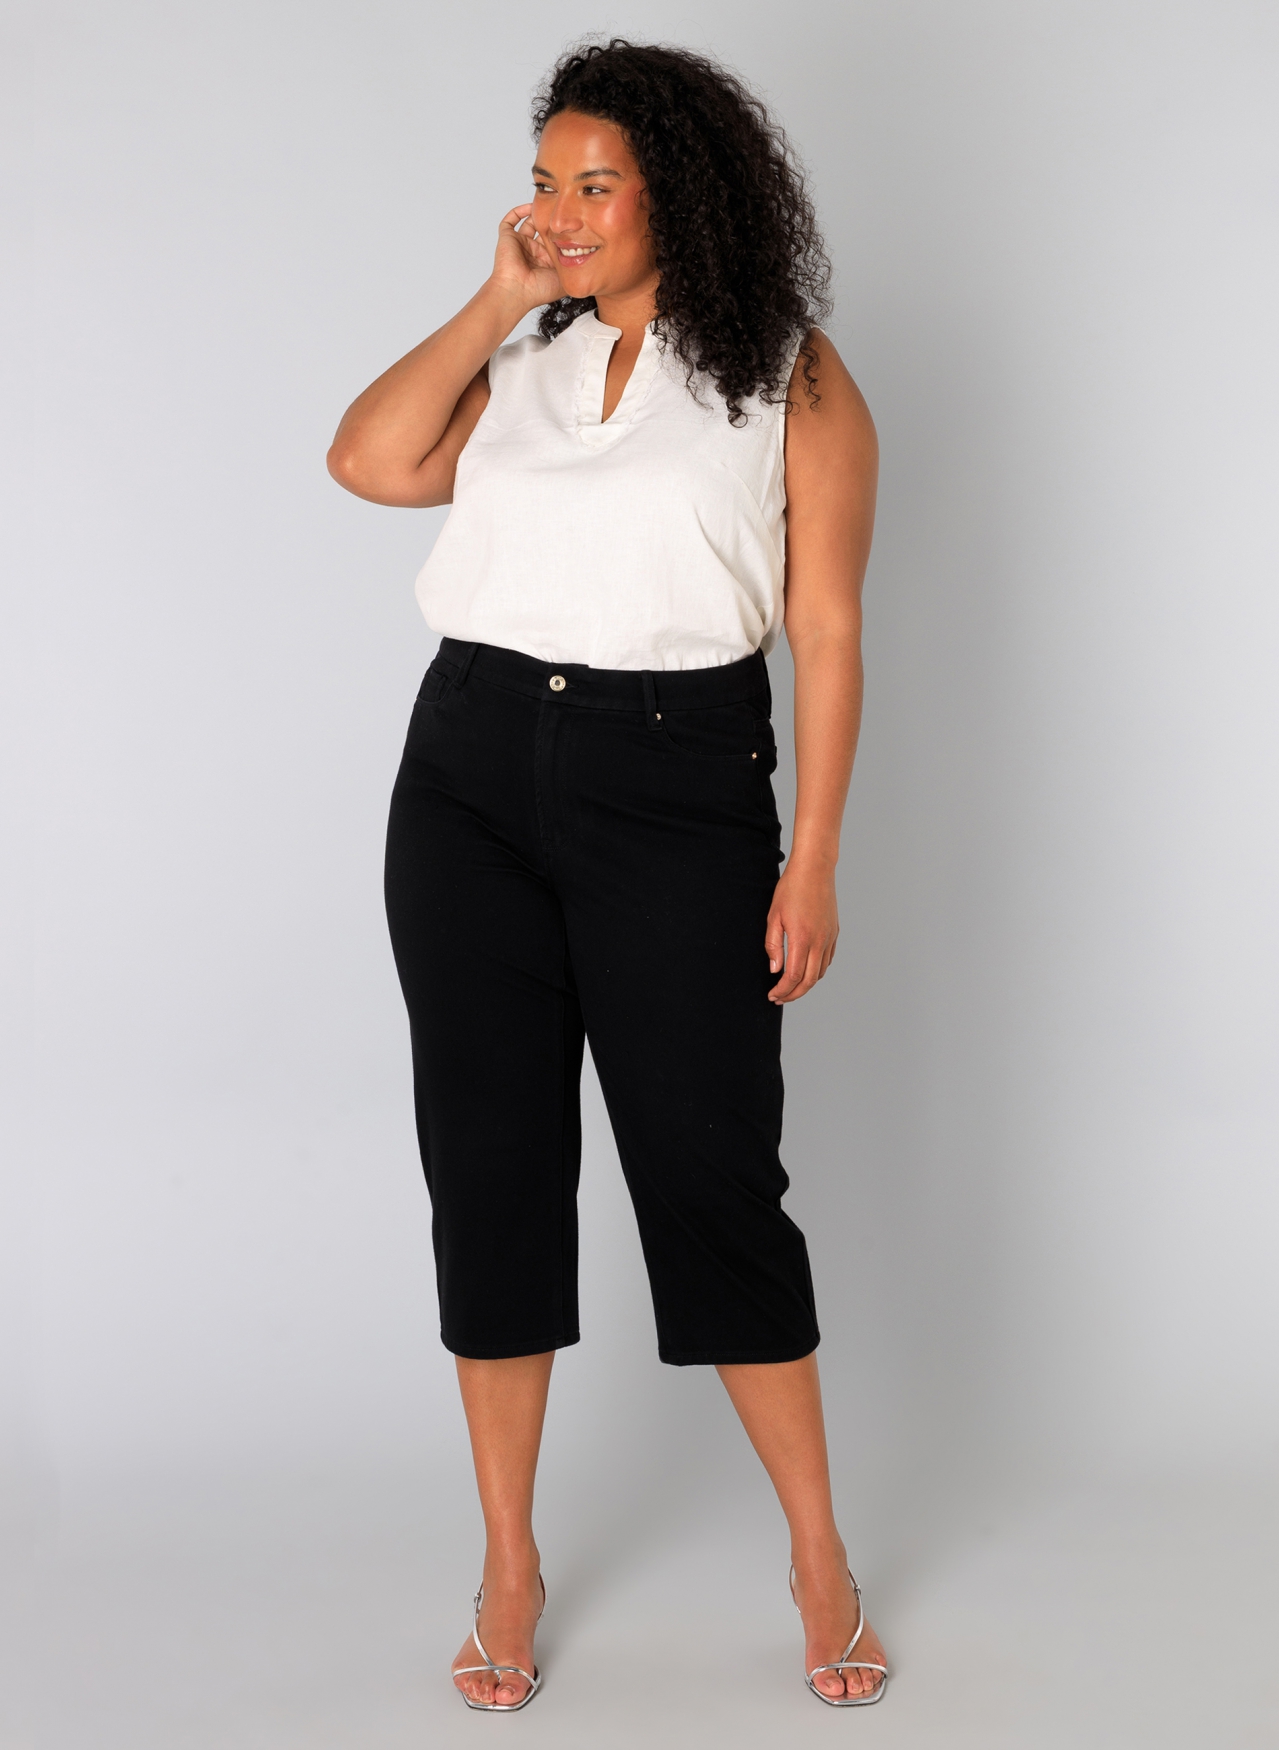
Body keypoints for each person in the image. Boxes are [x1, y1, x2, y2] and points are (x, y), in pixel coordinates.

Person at [327, 38, 883, 1712]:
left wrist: (813, 855)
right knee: (490, 1167)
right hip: (470, 773)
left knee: (712, 1174)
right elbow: (368, 459)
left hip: (681, 783)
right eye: (543, 184)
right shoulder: (528, 361)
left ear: (677, 195)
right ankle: (509, 1557)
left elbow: (830, 629)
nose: (559, 213)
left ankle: (819, 1552)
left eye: (594, 186)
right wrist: (499, 297)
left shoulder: (790, 376)